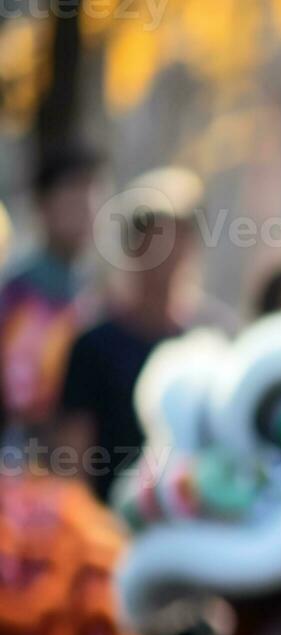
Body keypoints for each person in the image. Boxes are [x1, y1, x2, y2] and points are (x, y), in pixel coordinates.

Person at [58, 167, 206, 503]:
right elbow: (72, 461)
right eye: (155, 241)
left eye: (177, 240)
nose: (168, 256)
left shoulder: (206, 344)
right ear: (133, 247)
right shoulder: (93, 345)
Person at [0, 145, 101, 438]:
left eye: (92, 202)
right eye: (74, 202)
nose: (85, 214)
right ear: (43, 207)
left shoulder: (96, 296)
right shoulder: (15, 296)